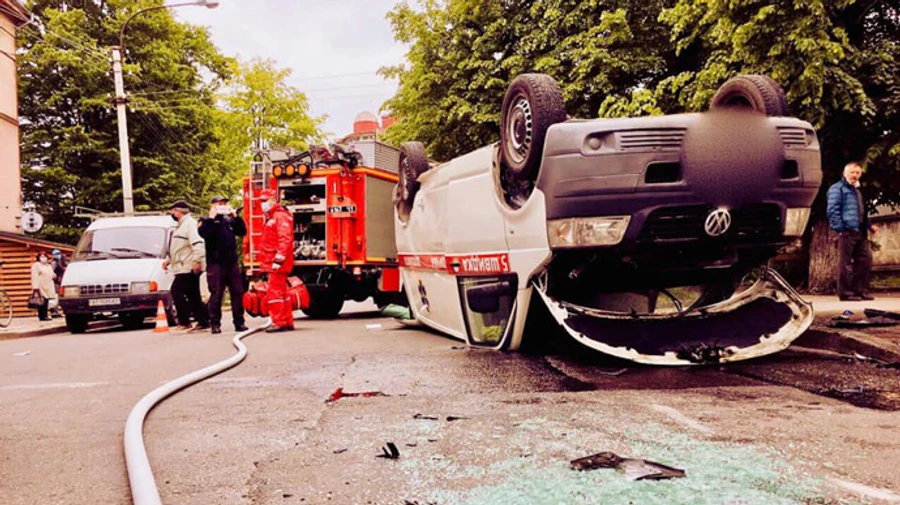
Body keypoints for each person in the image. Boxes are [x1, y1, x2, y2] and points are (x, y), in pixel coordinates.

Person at [826, 161, 878, 301]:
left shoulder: (857, 191)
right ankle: (845, 293)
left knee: (865, 260)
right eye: (852, 172)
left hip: (860, 231)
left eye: (857, 173)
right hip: (846, 231)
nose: (855, 175)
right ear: (845, 173)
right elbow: (832, 211)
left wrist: (869, 225)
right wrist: (841, 229)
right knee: (845, 263)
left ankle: (860, 291)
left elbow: (861, 212)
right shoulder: (837, 189)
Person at [199, 195, 248, 334]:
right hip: (215, 264)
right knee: (216, 294)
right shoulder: (205, 220)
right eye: (219, 204)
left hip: (231, 263)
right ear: (212, 205)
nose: (222, 206)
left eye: (224, 204)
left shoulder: (229, 221)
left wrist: (236, 217)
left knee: (237, 292)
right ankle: (215, 324)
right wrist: (211, 218)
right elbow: (204, 234)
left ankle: (239, 322)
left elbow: (242, 231)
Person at [163, 200, 210, 331]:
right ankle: (203, 321)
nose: (172, 213)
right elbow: (179, 247)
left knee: (177, 292)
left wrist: (196, 261)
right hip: (182, 266)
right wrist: (169, 260)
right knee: (192, 295)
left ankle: (185, 321)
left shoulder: (190, 224)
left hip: (188, 266)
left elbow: (198, 244)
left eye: (173, 211)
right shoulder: (180, 226)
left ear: (178, 211)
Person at [258, 189, 295, 333]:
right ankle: (287, 321)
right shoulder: (275, 216)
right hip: (274, 260)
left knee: (274, 292)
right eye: (261, 201)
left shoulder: (279, 216)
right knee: (282, 292)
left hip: (276, 261)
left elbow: (285, 239)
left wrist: (278, 259)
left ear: (273, 200)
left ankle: (279, 322)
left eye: (265, 200)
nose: (262, 204)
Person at [31, 252, 57, 321]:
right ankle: (42, 316)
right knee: (42, 301)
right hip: (41, 286)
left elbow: (51, 273)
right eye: (41, 256)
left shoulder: (48, 266)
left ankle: (45, 315)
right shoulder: (36, 265)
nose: (43, 258)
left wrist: (54, 275)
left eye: (44, 256)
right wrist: (35, 286)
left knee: (46, 301)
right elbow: (34, 276)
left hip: (48, 285)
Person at [50, 249, 67, 317]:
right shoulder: (54, 262)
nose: (58, 255)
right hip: (56, 282)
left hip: (61, 281)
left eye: (59, 253)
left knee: (59, 297)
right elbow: (52, 271)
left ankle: (57, 311)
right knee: (56, 297)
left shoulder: (61, 262)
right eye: (56, 254)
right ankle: (54, 311)